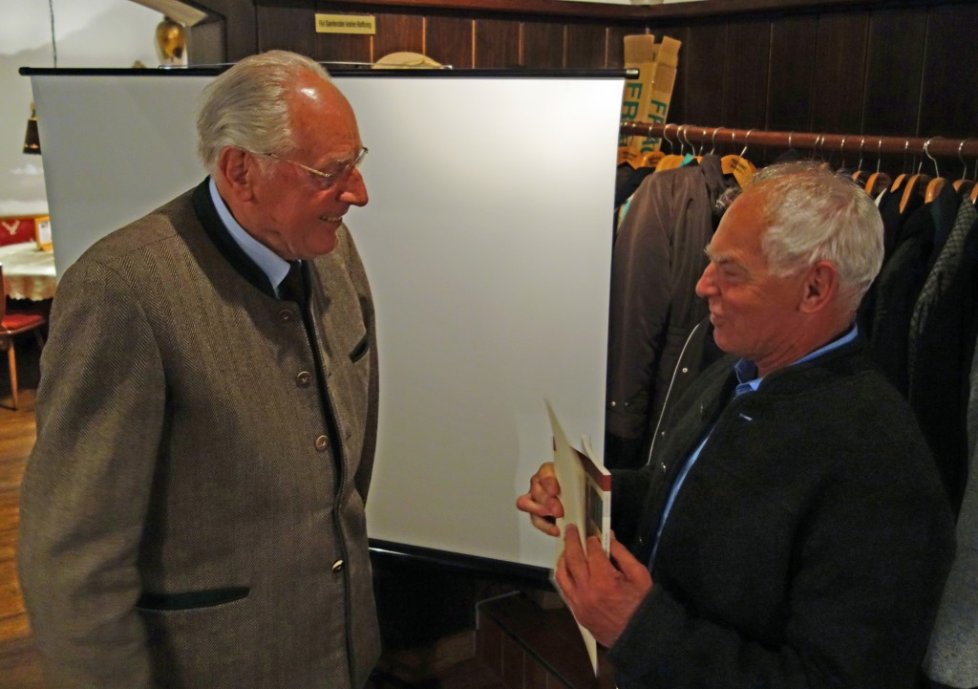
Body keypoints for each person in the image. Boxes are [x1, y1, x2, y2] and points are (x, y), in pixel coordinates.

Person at [18, 50, 379, 689]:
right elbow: (74, 557)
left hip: (342, 650)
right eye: (330, 172)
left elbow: (350, 456)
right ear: (241, 170)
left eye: (355, 162)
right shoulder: (121, 290)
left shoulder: (331, 248)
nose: (358, 192)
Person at [517, 162, 955, 689]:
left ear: (815, 288)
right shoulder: (738, 371)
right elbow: (694, 495)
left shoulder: (880, 465)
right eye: (710, 262)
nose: (703, 285)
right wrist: (595, 490)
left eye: (731, 270)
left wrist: (639, 630)